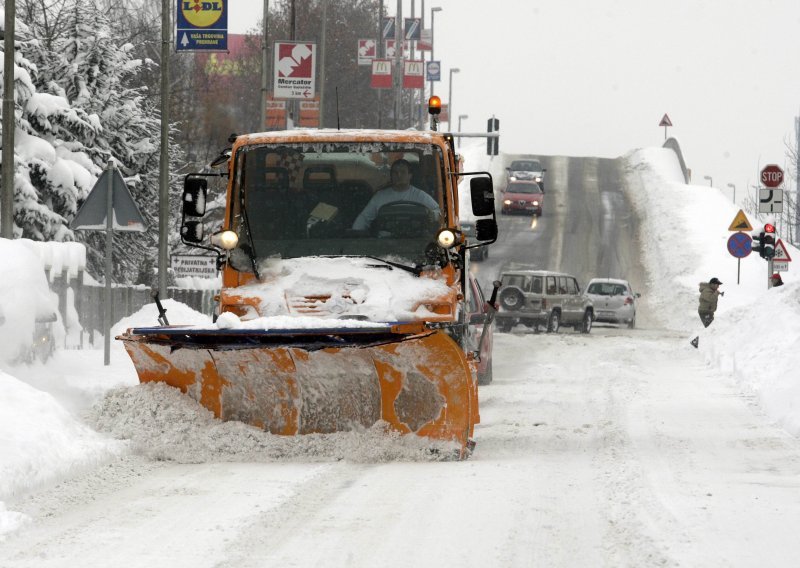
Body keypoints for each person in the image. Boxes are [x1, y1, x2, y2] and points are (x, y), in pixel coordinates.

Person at [351, 158, 440, 231]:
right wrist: (355, 235)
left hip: (414, 241)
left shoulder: (420, 195)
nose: (399, 175)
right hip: (384, 243)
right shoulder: (380, 196)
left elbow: (440, 212)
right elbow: (364, 218)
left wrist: (434, 215)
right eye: (395, 172)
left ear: (410, 175)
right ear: (391, 175)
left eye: (403, 172)